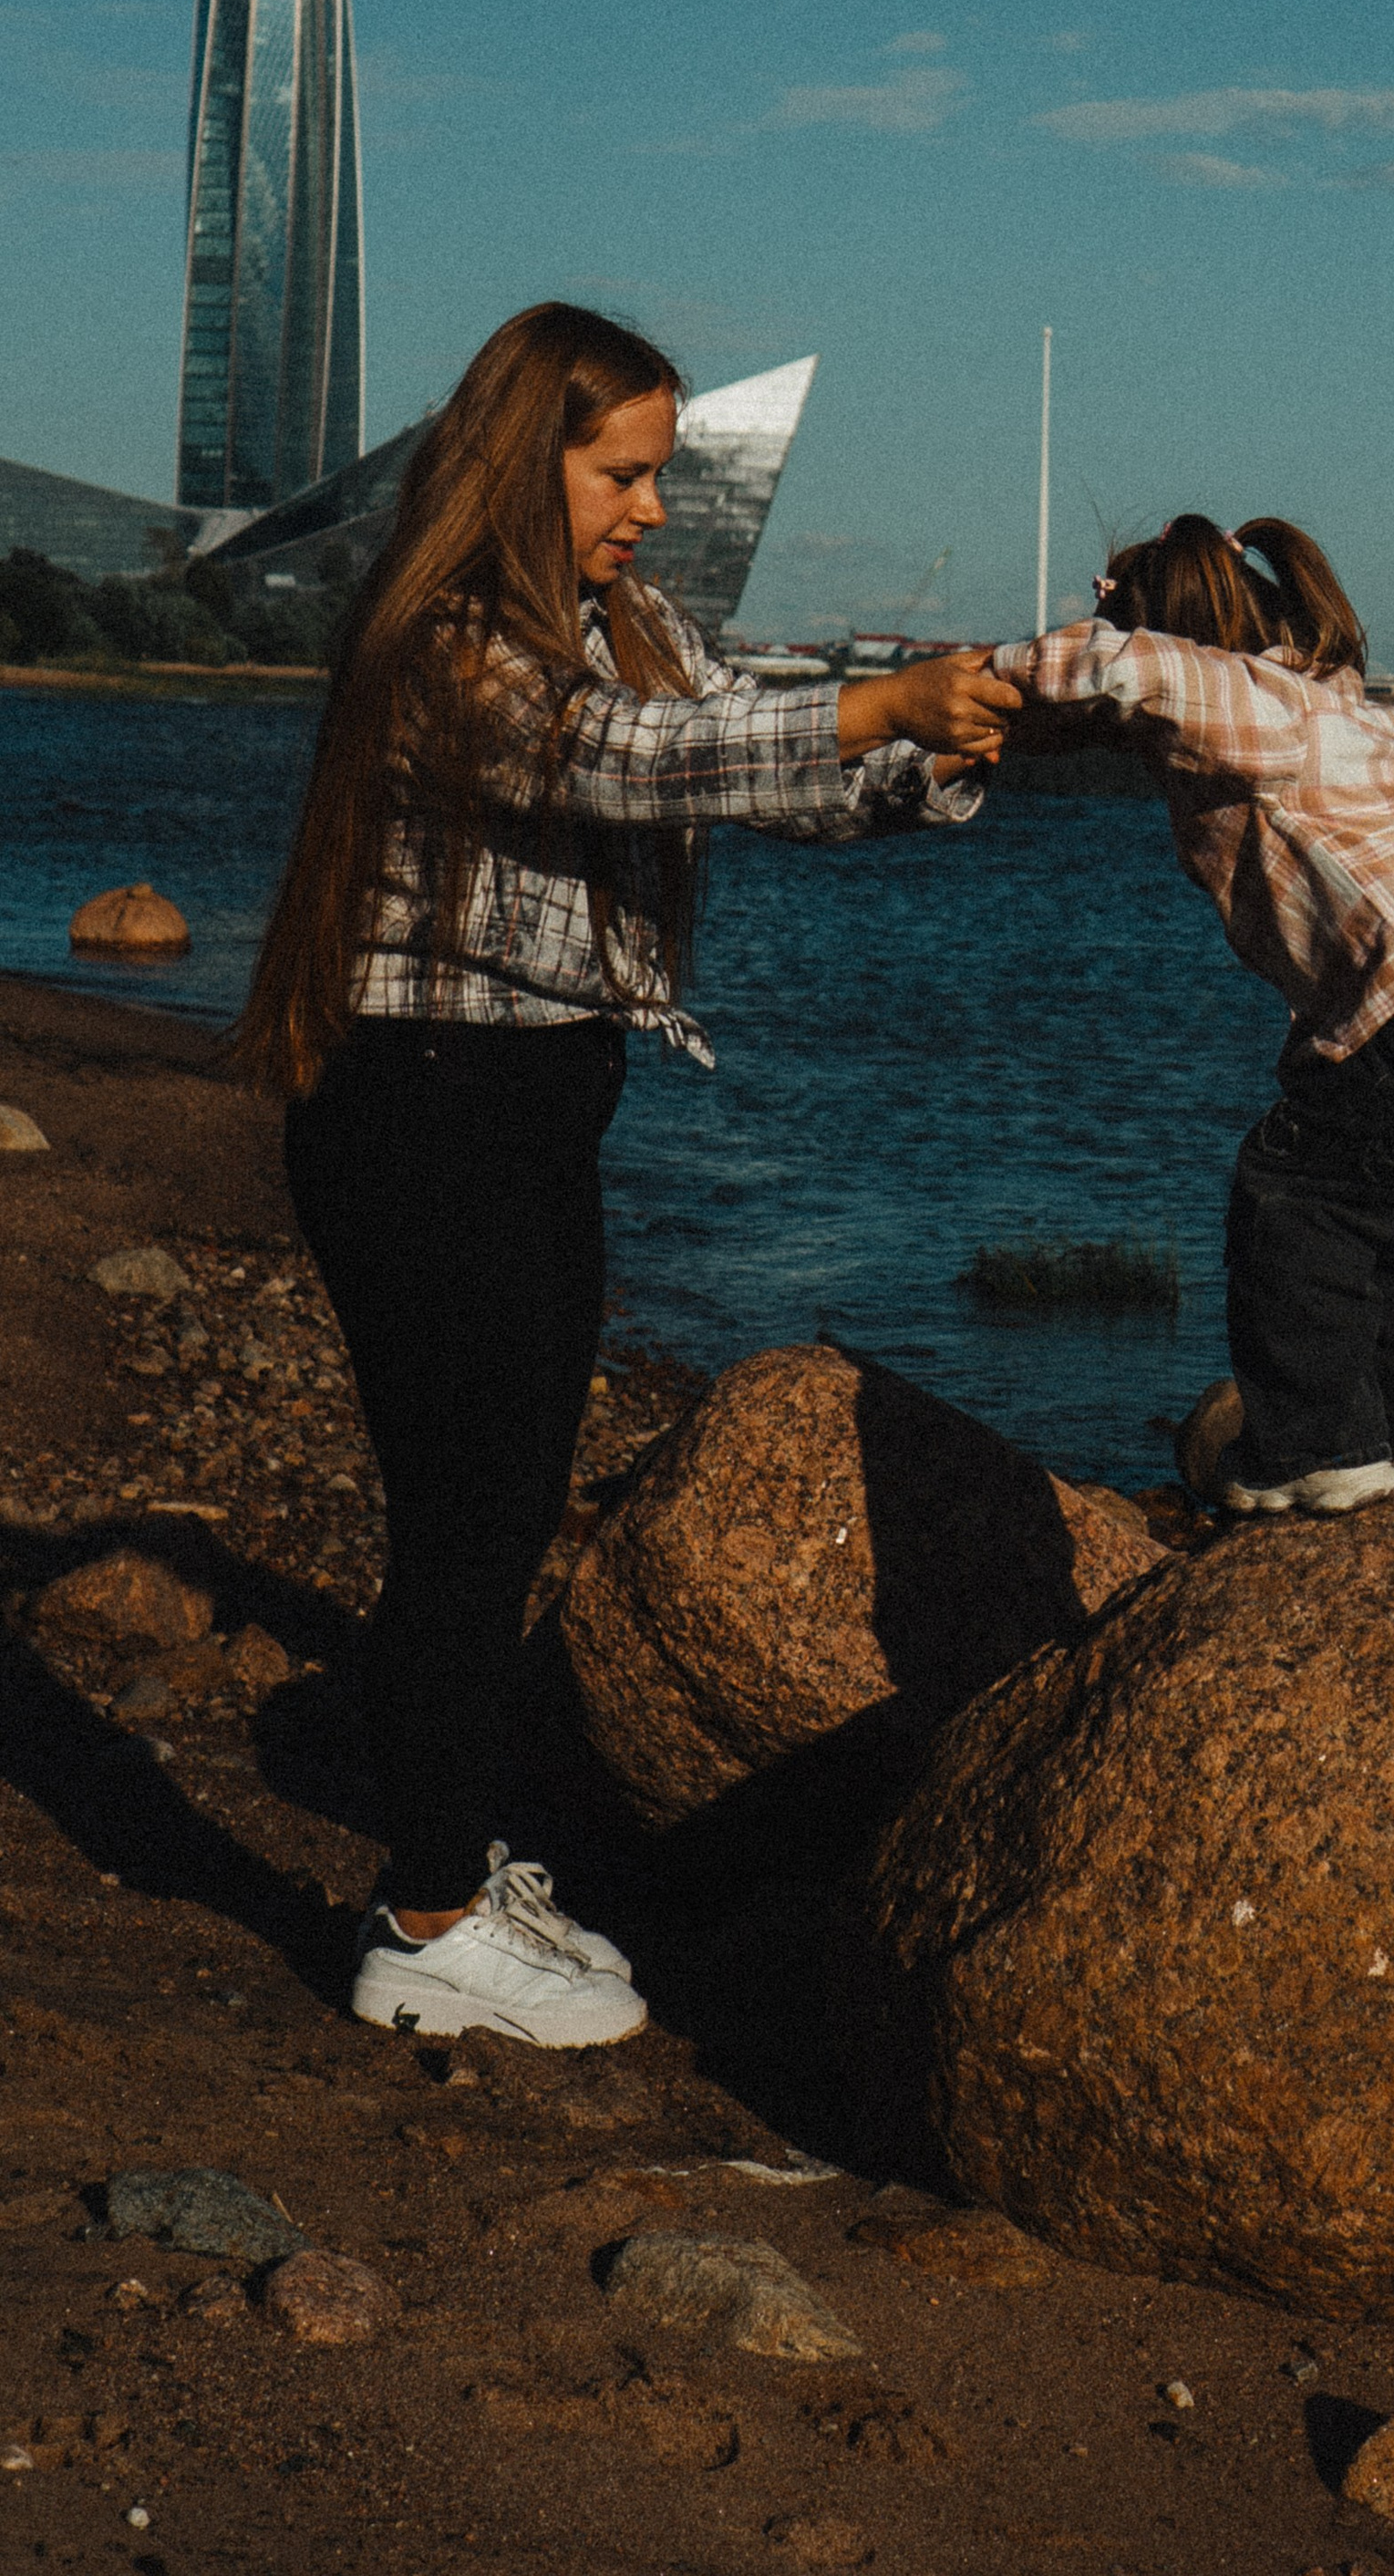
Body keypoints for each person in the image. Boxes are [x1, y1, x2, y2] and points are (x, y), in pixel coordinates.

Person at [233, 303, 1019, 2043]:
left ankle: (448, 1863)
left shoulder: (623, 621)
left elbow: (757, 768)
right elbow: (621, 758)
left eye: (658, 475)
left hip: (527, 1111)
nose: (652, 509)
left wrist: (939, 754)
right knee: (471, 1519)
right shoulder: (444, 636)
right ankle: (430, 1927)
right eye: (625, 473)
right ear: (530, 462)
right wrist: (873, 694)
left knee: (497, 1507)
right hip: (420, 1109)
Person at [989, 515, 1394, 1516]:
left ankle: (1316, 1455)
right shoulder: (1364, 720)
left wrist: (990, 676)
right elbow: (1350, 968)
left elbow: (1129, 667)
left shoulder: (1251, 699)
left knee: (1293, 1199)